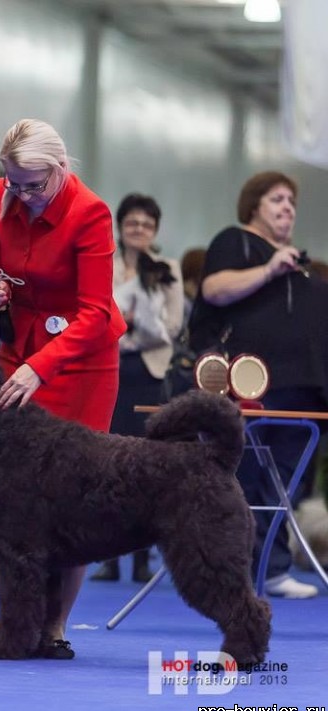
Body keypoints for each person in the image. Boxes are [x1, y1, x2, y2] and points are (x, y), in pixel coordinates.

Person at [0, 118, 126, 659]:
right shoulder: (1, 193)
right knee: (7, 493)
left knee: (73, 495)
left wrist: (42, 367)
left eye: (35, 185)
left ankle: (54, 624)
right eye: (15, 184)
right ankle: (12, 618)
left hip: (81, 363)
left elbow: (97, 313)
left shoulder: (91, 214)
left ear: (59, 170)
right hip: (19, 350)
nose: (24, 195)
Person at [189, 170, 328, 599]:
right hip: (247, 387)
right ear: (254, 205)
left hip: (301, 389)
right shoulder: (236, 242)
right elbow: (214, 290)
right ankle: (227, 573)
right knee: (240, 479)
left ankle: (271, 569)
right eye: (277, 199)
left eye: (291, 201)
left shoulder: (297, 264)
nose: (288, 207)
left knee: (280, 484)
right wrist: (268, 268)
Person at [91, 194, 183, 583]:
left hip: (147, 370)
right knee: (103, 460)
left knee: (144, 465)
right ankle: (106, 556)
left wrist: (134, 331)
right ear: (121, 227)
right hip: (106, 366)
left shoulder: (168, 269)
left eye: (146, 224)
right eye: (132, 222)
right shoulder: (103, 266)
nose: (139, 229)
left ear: (155, 231)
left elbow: (174, 326)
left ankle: (144, 557)